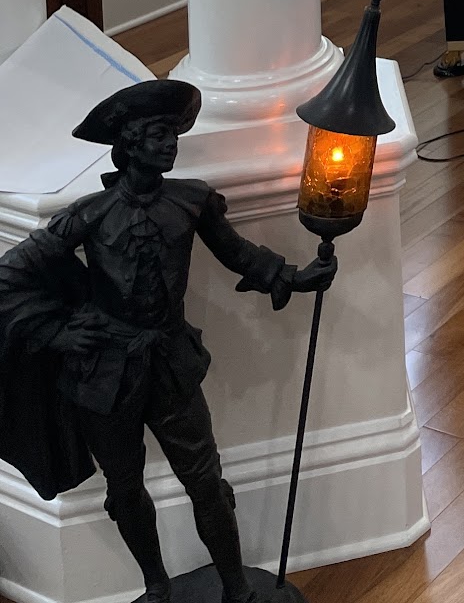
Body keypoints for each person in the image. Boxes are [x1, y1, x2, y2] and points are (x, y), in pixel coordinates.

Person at [0, 78, 336, 603]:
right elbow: (10, 274)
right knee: (125, 488)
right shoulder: (89, 214)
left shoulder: (192, 201)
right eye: (158, 135)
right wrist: (55, 332)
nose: (170, 145)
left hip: (170, 363)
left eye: (174, 135)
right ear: (130, 142)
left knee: (205, 481)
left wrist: (292, 277)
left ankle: (236, 588)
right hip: (104, 375)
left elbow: (238, 254)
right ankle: (156, 586)